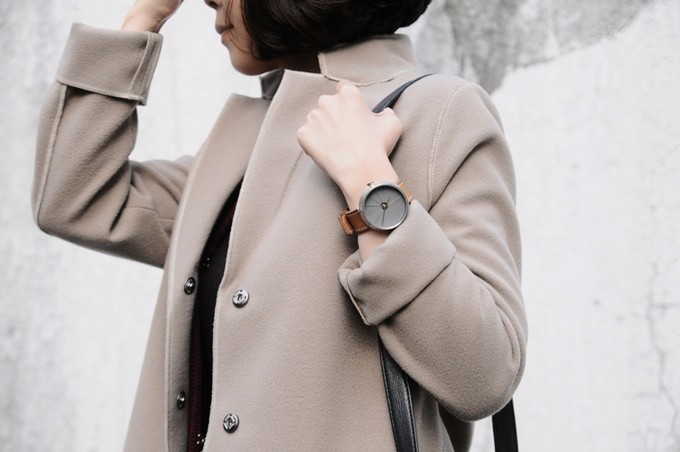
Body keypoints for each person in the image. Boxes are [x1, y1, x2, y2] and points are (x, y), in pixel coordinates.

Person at [32, 0, 527, 450]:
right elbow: (75, 198)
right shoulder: (246, 139)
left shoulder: (440, 113)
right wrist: (144, 19)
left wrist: (370, 185)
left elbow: (485, 375)